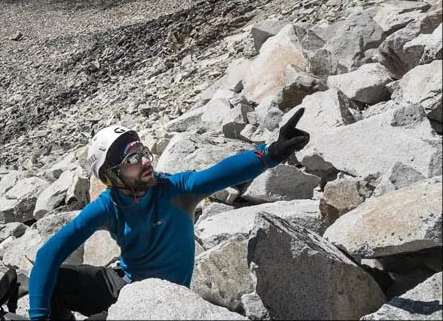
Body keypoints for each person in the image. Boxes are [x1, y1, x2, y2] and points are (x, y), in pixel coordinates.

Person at [28, 109, 310, 320]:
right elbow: (48, 254)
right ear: (111, 175)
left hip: (155, 305)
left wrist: (271, 152)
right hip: (121, 283)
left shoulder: (174, 189)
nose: (147, 161)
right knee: (56, 281)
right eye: (133, 159)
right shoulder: (108, 206)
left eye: (143, 151)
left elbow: (219, 174)